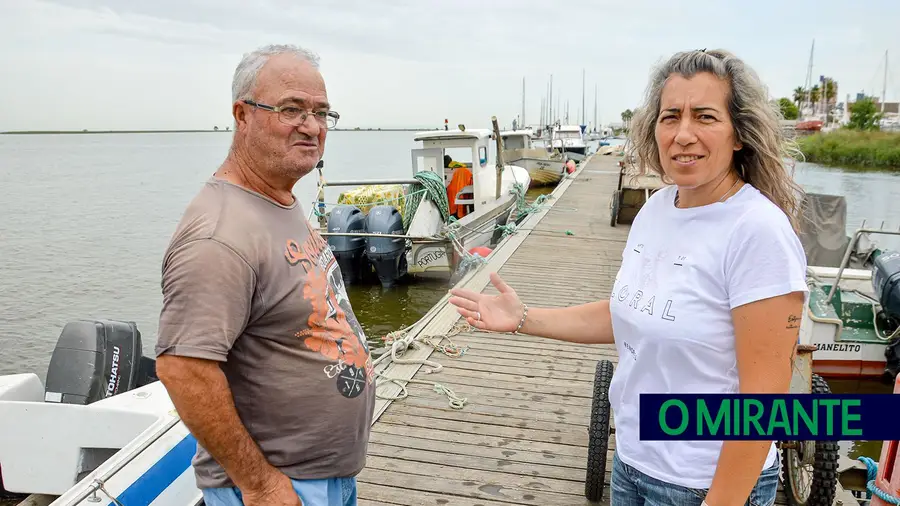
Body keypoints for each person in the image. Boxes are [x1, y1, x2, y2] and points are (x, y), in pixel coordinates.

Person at [449, 48, 808, 506]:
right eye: (670, 116)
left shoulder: (757, 230)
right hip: (632, 465)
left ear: (739, 133)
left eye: (705, 117)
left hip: (702, 482)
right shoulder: (658, 208)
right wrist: (525, 318)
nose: (683, 134)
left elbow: (765, 397)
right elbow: (631, 312)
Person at [154, 44, 375, 506]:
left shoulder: (278, 198)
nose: (312, 126)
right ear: (242, 115)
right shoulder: (219, 236)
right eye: (291, 109)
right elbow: (184, 368)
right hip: (280, 486)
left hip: (323, 477)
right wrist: (259, 484)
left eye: (321, 112)